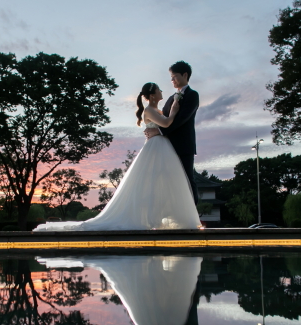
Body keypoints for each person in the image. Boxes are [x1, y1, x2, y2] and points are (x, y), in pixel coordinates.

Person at [33, 77, 201, 232]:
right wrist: (174, 110)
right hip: (156, 146)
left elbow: (165, 125)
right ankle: (148, 218)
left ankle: (160, 216)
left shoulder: (156, 109)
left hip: (162, 145)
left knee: (163, 182)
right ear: (152, 95)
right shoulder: (150, 110)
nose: (162, 92)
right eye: (159, 90)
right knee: (150, 182)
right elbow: (167, 122)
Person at [144, 61, 200, 204]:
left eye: (174, 77)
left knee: (187, 178)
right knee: (169, 181)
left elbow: (182, 119)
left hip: (184, 145)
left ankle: (193, 213)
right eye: (171, 78)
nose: (172, 80)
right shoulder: (170, 99)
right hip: (167, 146)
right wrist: (152, 127)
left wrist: (158, 131)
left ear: (185, 75)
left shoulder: (192, 95)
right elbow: (164, 118)